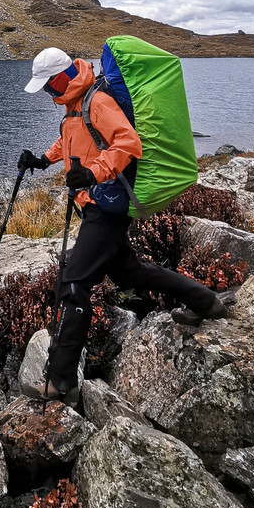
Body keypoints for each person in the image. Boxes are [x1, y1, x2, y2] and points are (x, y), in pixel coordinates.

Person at [17, 45, 231, 403]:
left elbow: (128, 143)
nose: (48, 93)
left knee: (72, 282)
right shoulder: (77, 103)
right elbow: (73, 138)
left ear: (60, 78)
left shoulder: (97, 101)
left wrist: (93, 173)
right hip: (96, 204)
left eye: (48, 86)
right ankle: (207, 302)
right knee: (131, 274)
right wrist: (43, 159)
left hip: (106, 204)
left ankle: (61, 380)